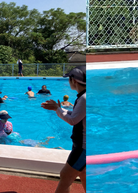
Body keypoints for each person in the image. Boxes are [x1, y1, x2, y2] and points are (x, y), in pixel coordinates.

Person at [40, 65, 87, 193]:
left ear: (74, 81)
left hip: (83, 148)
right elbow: (77, 115)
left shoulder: (84, 98)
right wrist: (59, 108)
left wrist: (57, 109)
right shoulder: (84, 96)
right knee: (83, 174)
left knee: (66, 175)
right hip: (82, 145)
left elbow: (73, 120)